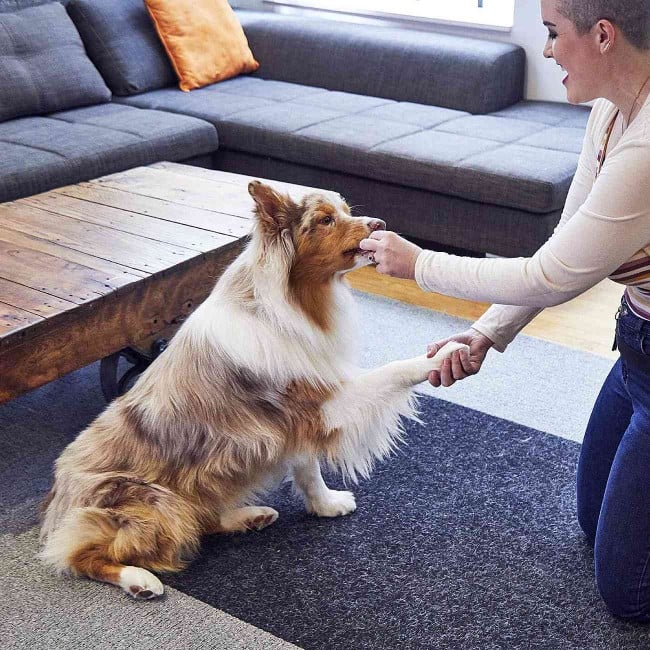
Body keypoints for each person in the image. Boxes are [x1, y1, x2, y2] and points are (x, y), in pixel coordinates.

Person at [359, 0, 650, 621]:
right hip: (639, 340)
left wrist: (420, 264)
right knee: (593, 523)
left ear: (603, 36)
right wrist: (485, 333)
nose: (546, 51)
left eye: (551, 33)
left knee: (629, 592)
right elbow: (565, 241)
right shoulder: (610, 110)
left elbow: (553, 279)